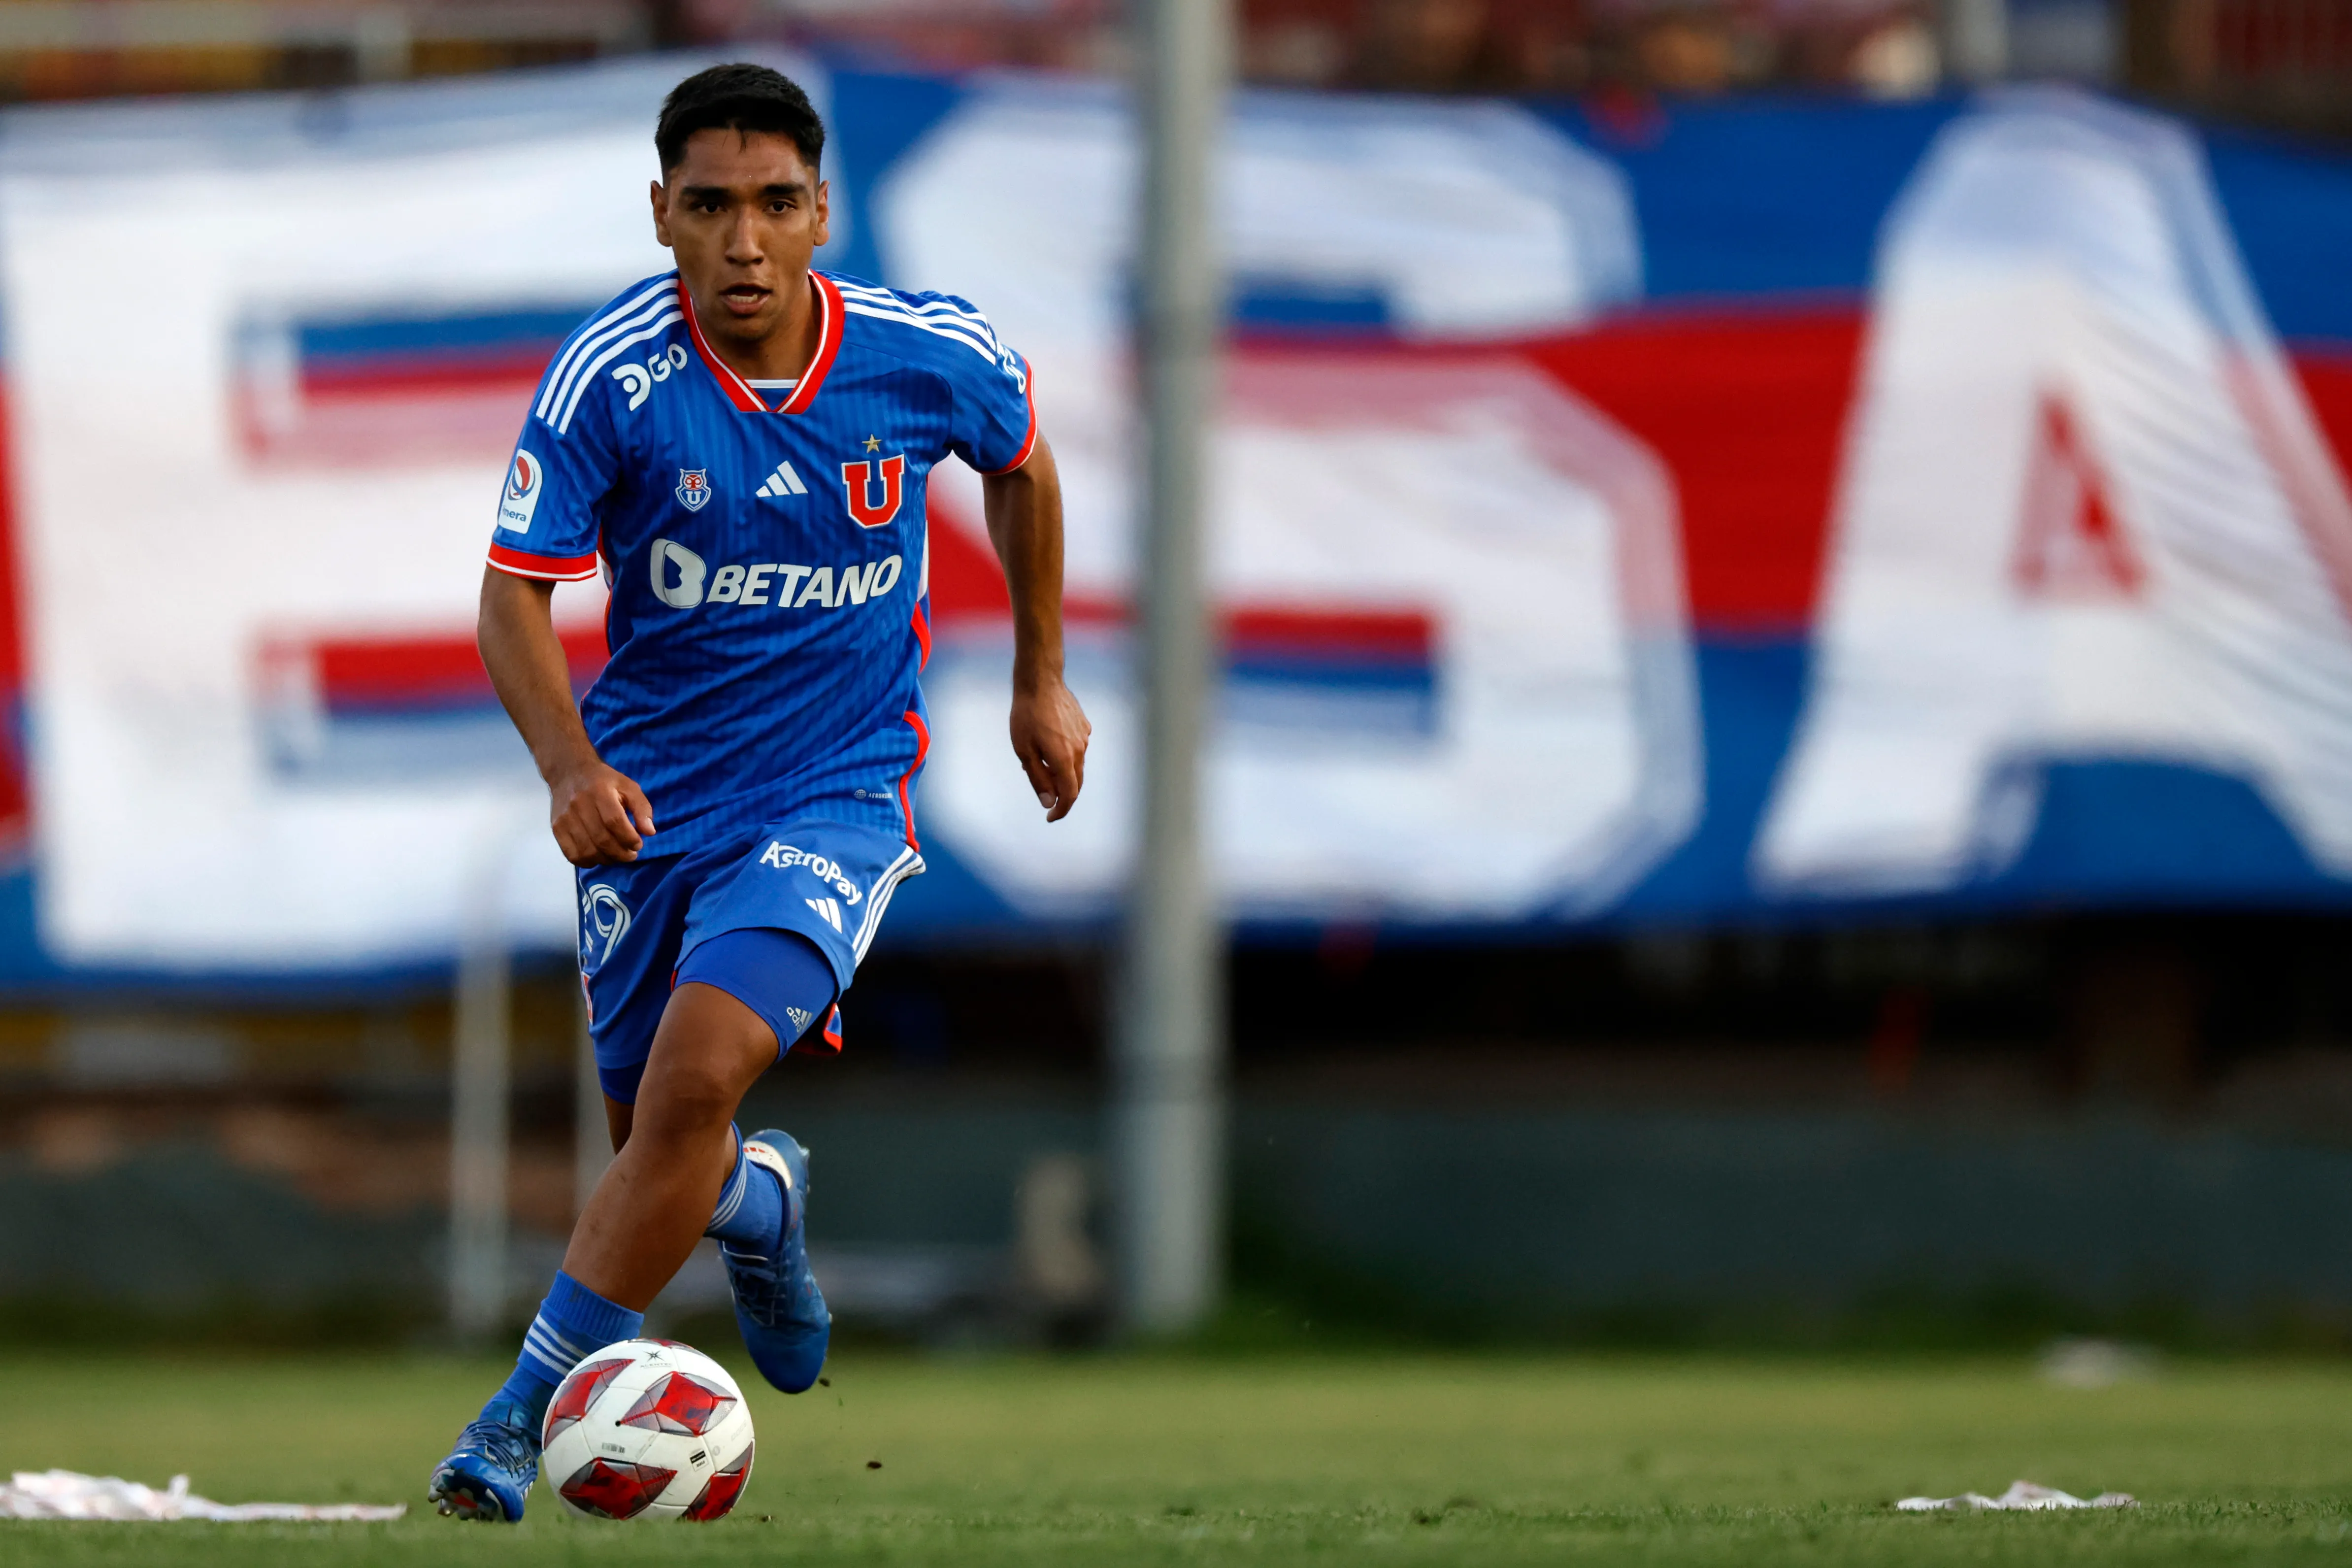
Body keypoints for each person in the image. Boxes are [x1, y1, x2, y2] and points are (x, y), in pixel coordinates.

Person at [428, 62, 1091, 1522]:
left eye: (776, 204)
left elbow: (1025, 463)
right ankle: (761, 1203)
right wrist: (570, 768)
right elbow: (511, 597)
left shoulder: (923, 354)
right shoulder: (613, 379)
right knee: (661, 1156)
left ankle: (510, 1417)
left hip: (834, 794)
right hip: (647, 813)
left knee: (696, 1078)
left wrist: (1038, 674)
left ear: (821, 211)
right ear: (660, 212)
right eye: (712, 205)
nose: (745, 241)